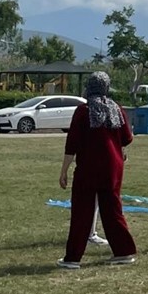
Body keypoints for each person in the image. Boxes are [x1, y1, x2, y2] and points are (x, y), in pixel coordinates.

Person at [57, 72, 137, 268]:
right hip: (113, 168)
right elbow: (127, 138)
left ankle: (73, 258)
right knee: (113, 210)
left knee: (82, 211)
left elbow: (72, 144)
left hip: (89, 168)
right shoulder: (116, 109)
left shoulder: (83, 111)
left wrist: (64, 171)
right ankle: (124, 251)